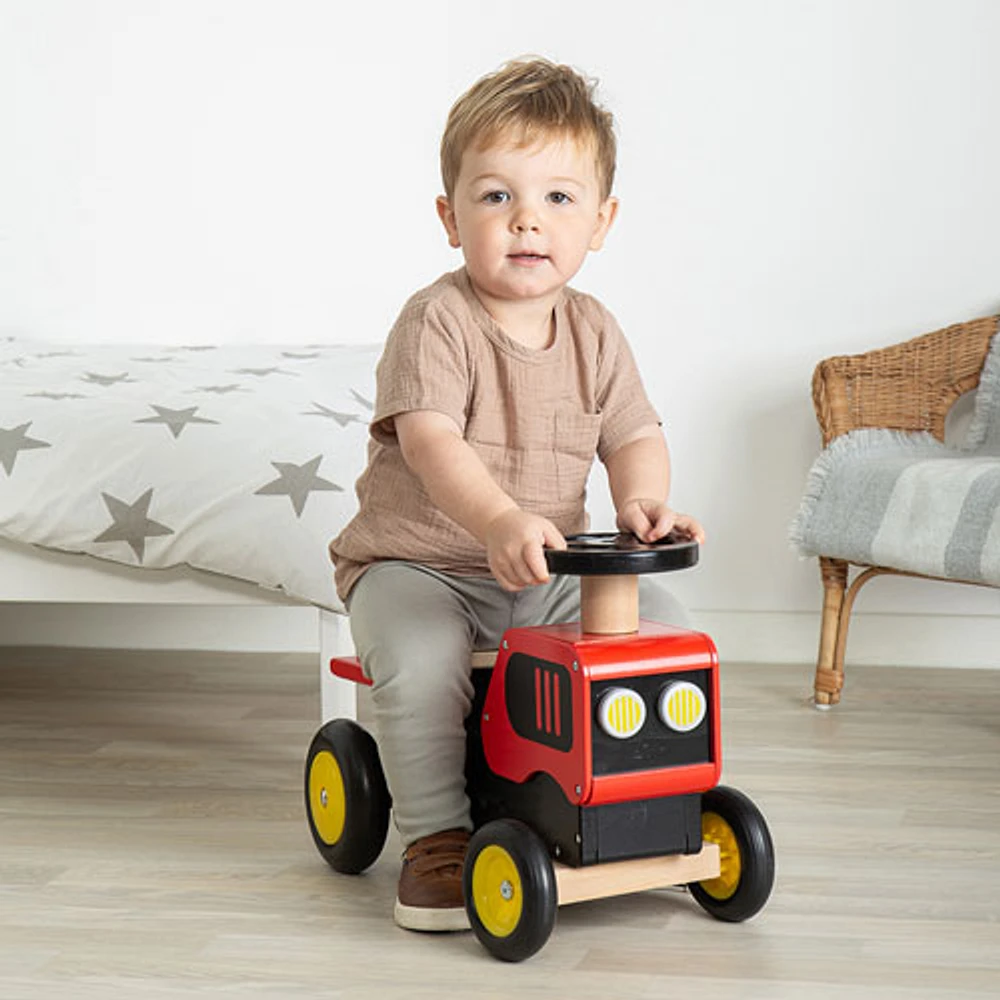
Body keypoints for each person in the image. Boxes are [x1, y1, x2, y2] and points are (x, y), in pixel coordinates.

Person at [329, 56, 705, 933]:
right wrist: (497, 518)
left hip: (545, 567)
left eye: (559, 199)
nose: (528, 219)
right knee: (422, 662)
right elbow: (430, 442)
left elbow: (633, 433)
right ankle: (436, 838)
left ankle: (642, 799)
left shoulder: (595, 330)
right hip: (420, 565)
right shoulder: (439, 320)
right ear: (449, 217)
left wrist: (644, 503)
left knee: (662, 629)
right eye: (496, 196)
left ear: (602, 221)